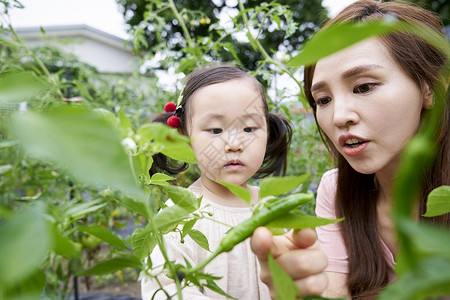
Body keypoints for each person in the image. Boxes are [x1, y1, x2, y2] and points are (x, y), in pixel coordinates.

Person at [251, 0, 450, 299]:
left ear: (430, 88)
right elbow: (335, 289)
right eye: (323, 100)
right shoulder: (337, 191)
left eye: (364, 87)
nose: (338, 116)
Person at [140, 64, 292, 299]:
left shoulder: (273, 208)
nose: (234, 143)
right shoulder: (177, 218)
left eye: (249, 128)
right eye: (215, 130)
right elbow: (164, 288)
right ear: (184, 137)